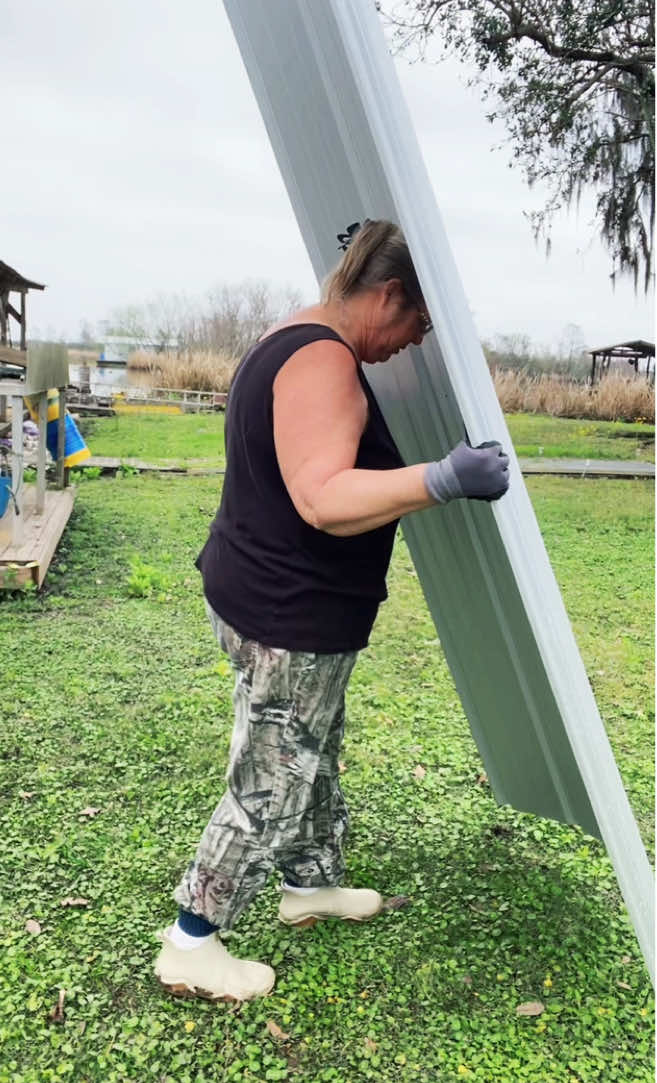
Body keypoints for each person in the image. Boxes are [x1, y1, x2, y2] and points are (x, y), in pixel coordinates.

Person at [155, 219, 510, 1002]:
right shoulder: (323, 361)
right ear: (387, 294)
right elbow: (322, 498)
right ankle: (191, 941)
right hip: (291, 612)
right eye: (418, 321)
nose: (415, 341)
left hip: (259, 590)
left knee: (304, 747)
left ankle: (308, 884)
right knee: (275, 774)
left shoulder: (293, 335)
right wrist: (440, 478)